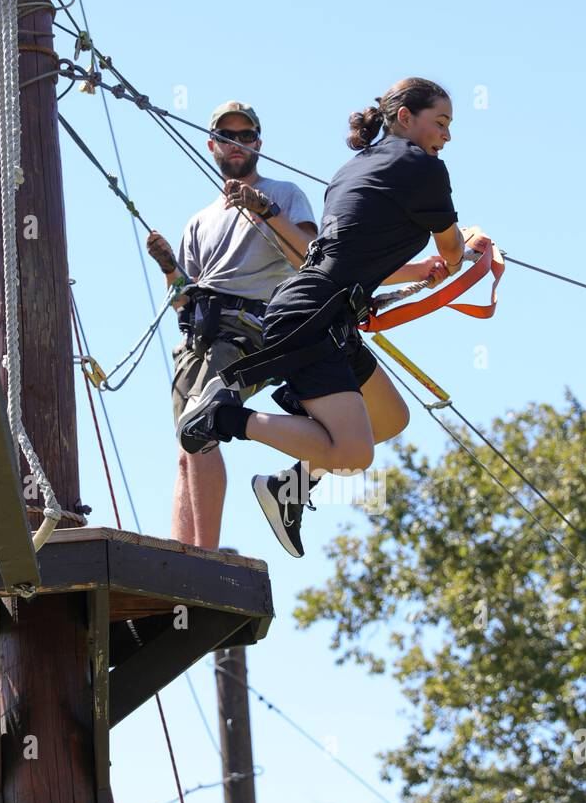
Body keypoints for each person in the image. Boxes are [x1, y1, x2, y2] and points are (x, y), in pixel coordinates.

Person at [177, 77, 489, 557]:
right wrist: (465, 250)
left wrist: (419, 270)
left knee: (388, 418)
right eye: (441, 123)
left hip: (320, 311)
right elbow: (451, 249)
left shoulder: (354, 167)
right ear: (405, 117)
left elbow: (345, 258)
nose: (446, 136)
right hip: (312, 316)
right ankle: (225, 416)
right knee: (354, 452)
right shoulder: (425, 169)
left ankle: (291, 487)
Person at [146, 100, 317, 548]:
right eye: (227, 136)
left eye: (246, 136)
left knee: (200, 431)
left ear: (258, 143)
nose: (237, 143)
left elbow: (311, 260)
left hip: (251, 327)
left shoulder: (284, 194)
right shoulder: (200, 221)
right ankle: (183, 551)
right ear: (212, 145)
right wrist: (168, 266)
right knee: (187, 444)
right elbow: (184, 297)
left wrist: (264, 210)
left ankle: (202, 556)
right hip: (203, 333)